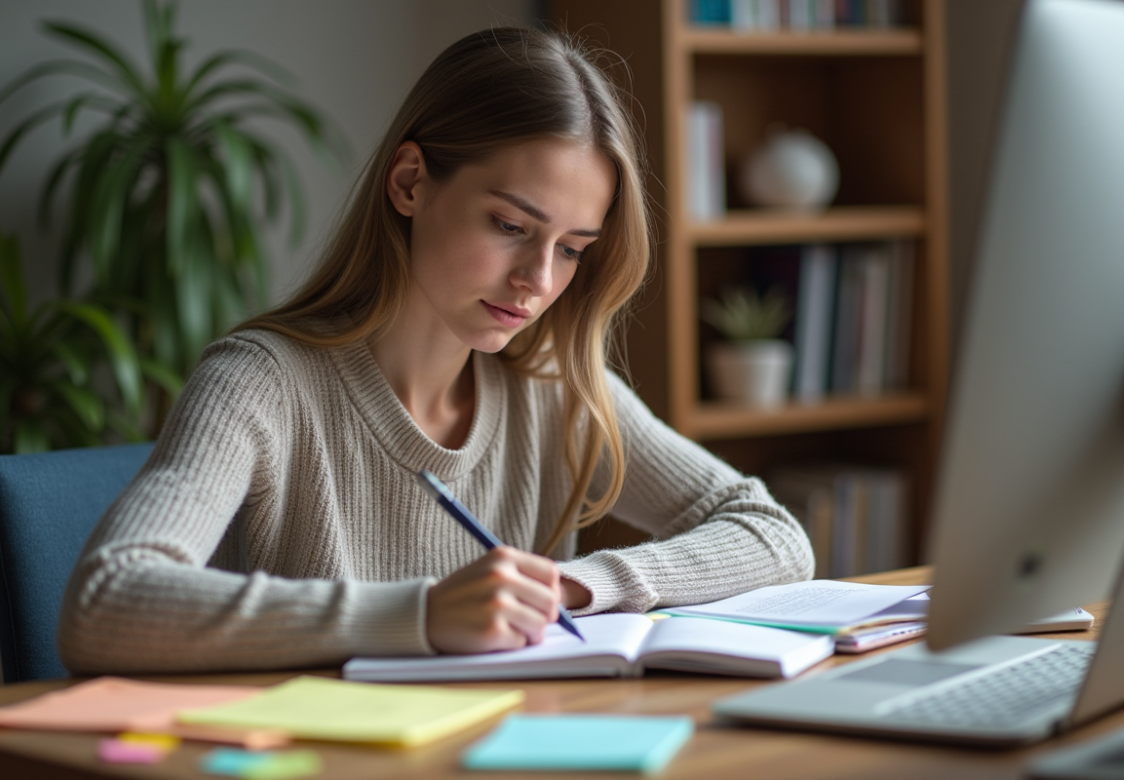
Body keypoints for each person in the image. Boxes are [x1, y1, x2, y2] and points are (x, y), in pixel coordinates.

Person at [58, 27, 814, 674]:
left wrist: (580, 585)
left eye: (573, 249)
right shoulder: (262, 383)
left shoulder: (556, 390)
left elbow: (774, 534)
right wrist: (418, 615)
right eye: (512, 227)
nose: (537, 280)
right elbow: (104, 602)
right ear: (411, 182)